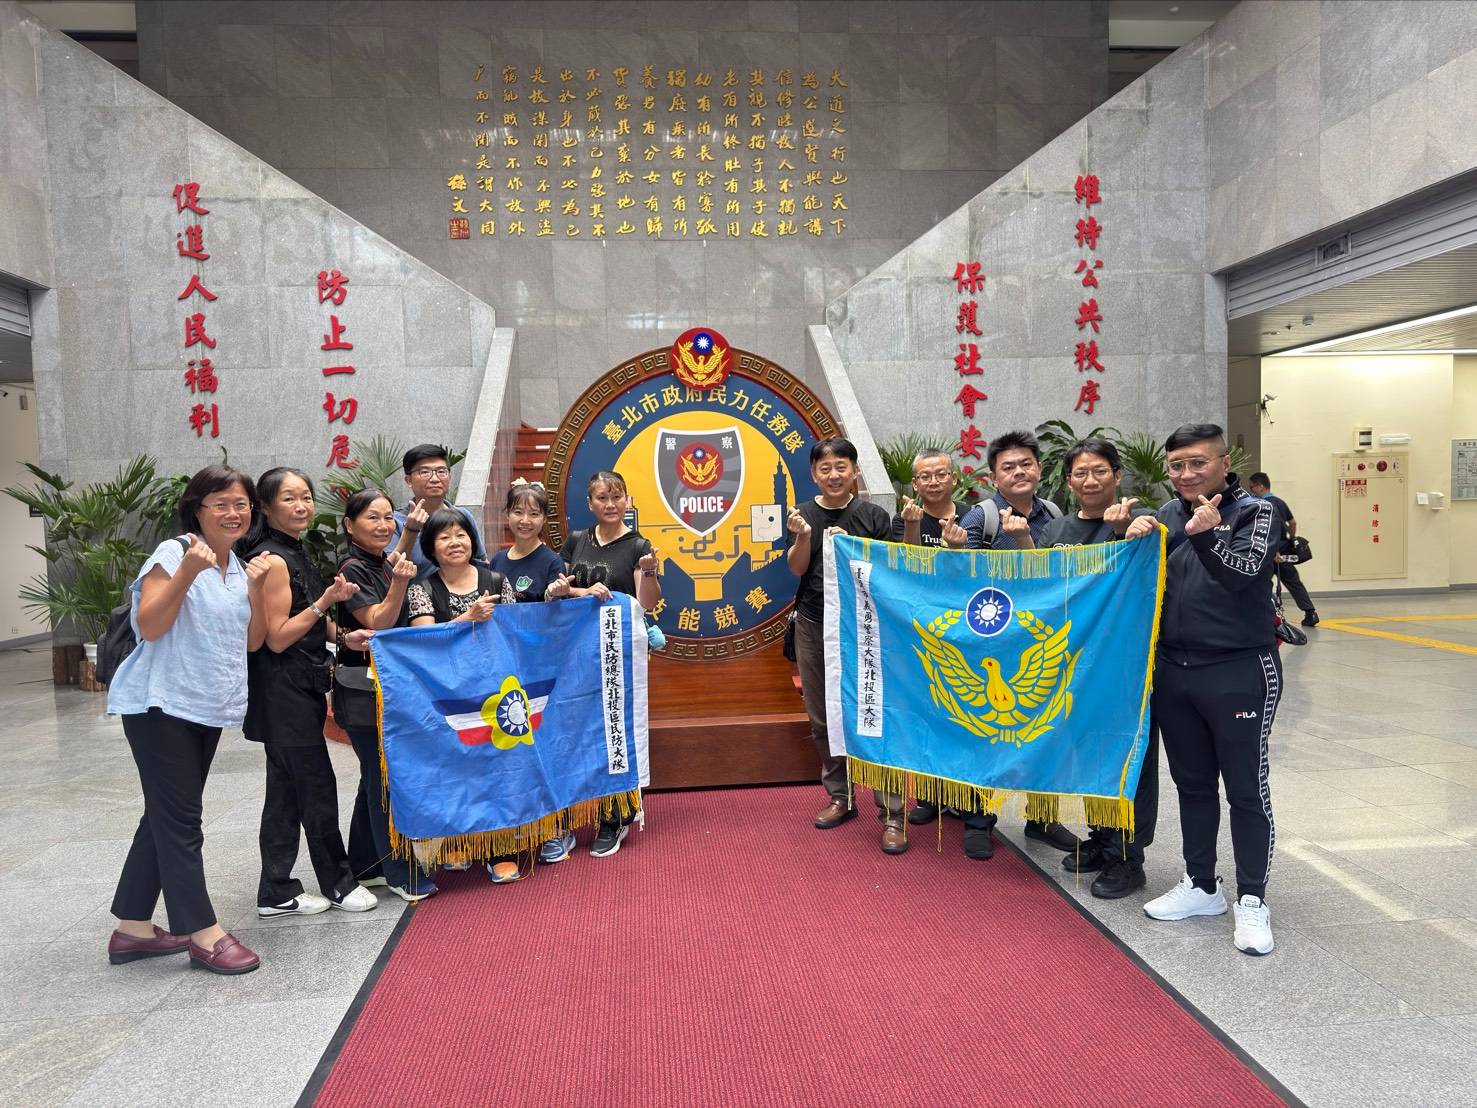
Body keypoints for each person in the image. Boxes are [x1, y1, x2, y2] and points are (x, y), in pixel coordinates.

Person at [106, 465, 273, 975]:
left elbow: (253, 641)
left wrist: (257, 589)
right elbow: (151, 625)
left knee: (164, 813)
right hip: (159, 705)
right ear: (196, 510)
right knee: (181, 821)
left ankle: (133, 928)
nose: (233, 513)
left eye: (241, 504)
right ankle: (203, 933)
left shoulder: (238, 567)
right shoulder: (173, 554)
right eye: (220, 503)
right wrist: (186, 574)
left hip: (204, 706)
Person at [1141, 424, 1282, 957]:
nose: (1186, 474)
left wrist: (1206, 534)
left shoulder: (1258, 511)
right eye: (1177, 465)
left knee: (1246, 788)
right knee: (1193, 784)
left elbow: (1243, 574)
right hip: (1176, 670)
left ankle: (1252, 898)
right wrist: (1134, 535)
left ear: (1225, 463)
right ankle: (1202, 885)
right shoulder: (1167, 513)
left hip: (1239, 669)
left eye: (1197, 463)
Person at [240, 468, 378, 918]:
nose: (301, 506)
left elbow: (306, 619)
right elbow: (278, 636)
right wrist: (325, 602)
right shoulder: (273, 560)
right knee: (317, 787)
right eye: (289, 498)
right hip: (284, 692)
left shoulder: (292, 550)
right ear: (265, 507)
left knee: (284, 793)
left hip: (295, 687)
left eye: (306, 497)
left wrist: (343, 636)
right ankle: (339, 883)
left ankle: (276, 890)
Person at [1038, 439, 1160, 898]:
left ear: (1117, 475)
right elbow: (1043, 587)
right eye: (1081, 473)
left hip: (1124, 665)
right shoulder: (1058, 529)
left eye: (1100, 471)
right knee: (1090, 754)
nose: (1090, 481)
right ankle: (1102, 838)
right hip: (1074, 666)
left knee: (1127, 756)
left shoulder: (1140, 518)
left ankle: (1129, 856)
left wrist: (1127, 531)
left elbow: (1149, 577)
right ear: (1069, 481)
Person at [954, 430, 1078, 856]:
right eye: (1008, 467)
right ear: (994, 477)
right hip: (992, 642)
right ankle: (978, 819)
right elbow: (959, 580)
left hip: (1040, 641)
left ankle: (1042, 818)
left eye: (1026, 463)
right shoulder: (981, 518)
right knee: (984, 731)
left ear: (1039, 469)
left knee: (1045, 728)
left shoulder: (1056, 514)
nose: (1019, 471)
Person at [785, 438, 903, 853]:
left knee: (874, 714)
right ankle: (841, 795)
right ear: (814, 473)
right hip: (814, 624)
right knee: (822, 716)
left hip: (866, 628)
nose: (833, 475)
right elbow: (797, 568)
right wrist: (804, 537)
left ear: (855, 471)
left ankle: (892, 813)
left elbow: (888, 571)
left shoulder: (873, 516)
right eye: (825, 468)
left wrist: (854, 548)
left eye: (841, 467)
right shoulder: (802, 514)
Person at [407, 507, 522, 882]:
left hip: (495, 692)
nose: (454, 542)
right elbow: (424, 642)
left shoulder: (496, 579)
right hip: (448, 695)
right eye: (444, 537)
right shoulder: (422, 589)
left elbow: (514, 634)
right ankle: (460, 841)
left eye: (461, 534)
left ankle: (501, 849)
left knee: (498, 768)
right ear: (431, 547)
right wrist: (465, 618)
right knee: (457, 767)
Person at [335, 487, 439, 902]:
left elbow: (397, 557)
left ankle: (367, 864)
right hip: (362, 689)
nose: (383, 525)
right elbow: (378, 621)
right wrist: (399, 583)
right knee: (383, 780)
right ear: (349, 525)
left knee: (373, 777)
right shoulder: (352, 568)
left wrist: (410, 531)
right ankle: (399, 870)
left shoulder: (378, 560)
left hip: (384, 686)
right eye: (372, 518)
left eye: (386, 518)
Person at [552, 470, 661, 858]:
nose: (610, 504)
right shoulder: (576, 541)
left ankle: (615, 815)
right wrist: (582, 590)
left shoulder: (638, 545)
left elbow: (647, 602)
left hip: (619, 655)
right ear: (590, 503)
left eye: (617, 497)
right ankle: (579, 809)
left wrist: (650, 570)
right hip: (576, 651)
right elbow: (558, 589)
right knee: (580, 727)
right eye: (602, 497)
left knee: (616, 728)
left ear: (627, 500)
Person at [491, 479, 580, 866]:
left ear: (544, 519)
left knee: (549, 747)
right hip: (507, 672)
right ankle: (525, 826)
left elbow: (558, 616)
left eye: (534, 513)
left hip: (543, 670)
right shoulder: (495, 562)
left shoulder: (551, 562)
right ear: (507, 515)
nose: (525, 520)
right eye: (518, 511)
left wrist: (555, 596)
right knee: (517, 750)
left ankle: (560, 827)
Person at [388, 444, 488, 582]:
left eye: (441, 471)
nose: (435, 479)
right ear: (408, 480)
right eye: (425, 472)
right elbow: (387, 571)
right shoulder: (394, 521)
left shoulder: (462, 515)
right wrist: (410, 531)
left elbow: (480, 561)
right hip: (414, 595)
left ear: (449, 477)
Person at [1246, 472, 1318, 627]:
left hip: (1269, 552)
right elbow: (1292, 523)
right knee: (1294, 582)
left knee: (1258, 582)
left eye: (1252, 487)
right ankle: (1310, 612)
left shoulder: (1262, 505)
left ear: (1260, 486)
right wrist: (1291, 539)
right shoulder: (1280, 502)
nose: (1251, 491)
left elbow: (1271, 529)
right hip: (1284, 551)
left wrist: (1274, 549)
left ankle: (1261, 614)